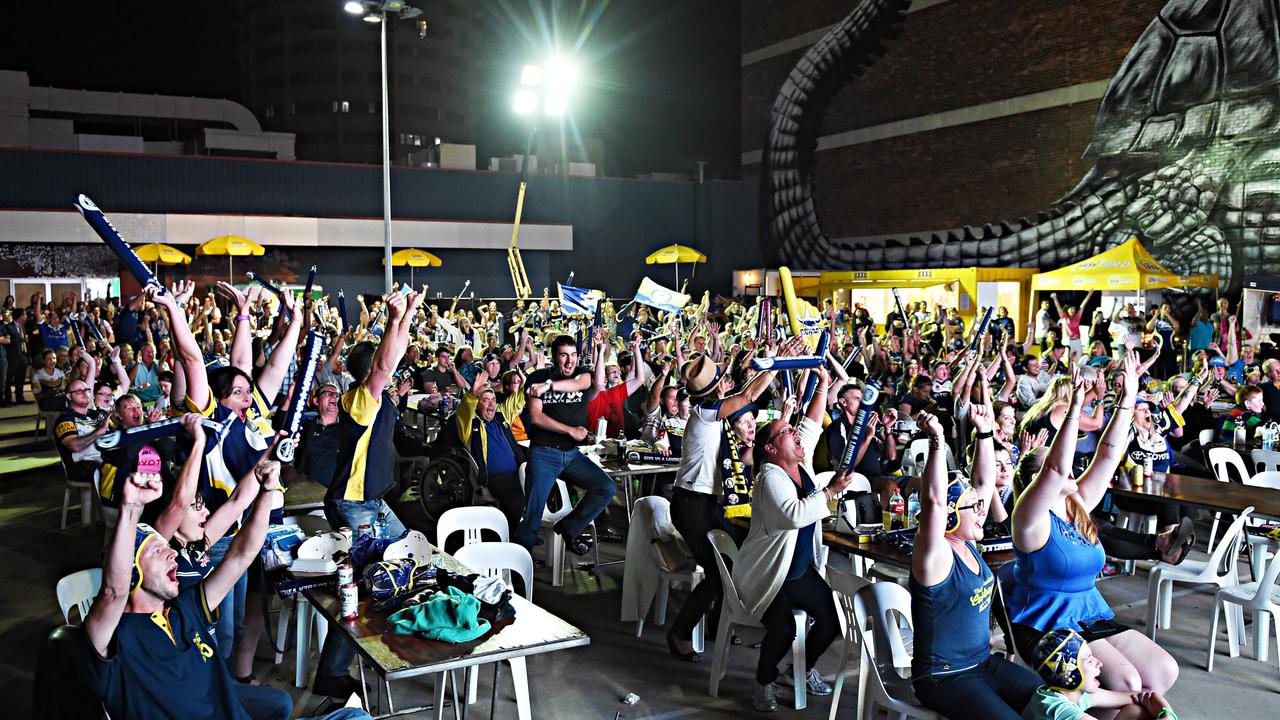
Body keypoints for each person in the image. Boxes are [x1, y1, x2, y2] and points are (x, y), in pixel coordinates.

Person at [80, 448, 368, 720]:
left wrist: (267, 493)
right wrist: (130, 508)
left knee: (355, 716)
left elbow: (241, 554)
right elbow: (112, 593)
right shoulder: (116, 637)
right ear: (131, 571)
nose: (170, 552)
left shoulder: (183, 610)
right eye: (157, 551)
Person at [1006, 354, 1179, 696]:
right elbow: (1055, 469)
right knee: (1127, 682)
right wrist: (1074, 407)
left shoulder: (1078, 504)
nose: (1068, 467)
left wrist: (1128, 397)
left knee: (1163, 671)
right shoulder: (1029, 520)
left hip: (1090, 613)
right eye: (1054, 463)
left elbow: (1108, 454)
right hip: (1046, 623)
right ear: (1033, 481)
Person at [666, 338, 803, 662]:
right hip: (691, 505)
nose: (725, 383)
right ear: (714, 389)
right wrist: (775, 362)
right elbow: (748, 396)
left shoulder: (711, 411)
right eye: (721, 381)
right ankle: (681, 633)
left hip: (707, 503)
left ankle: (718, 623)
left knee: (735, 560)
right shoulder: (705, 413)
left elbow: (743, 395)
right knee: (718, 571)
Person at [314, 290, 423, 698]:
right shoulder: (361, 401)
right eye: (385, 373)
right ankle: (332, 671)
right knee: (359, 587)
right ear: (371, 377)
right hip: (353, 504)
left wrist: (406, 316)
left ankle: (396, 640)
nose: (392, 375)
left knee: (412, 556)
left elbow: (390, 360)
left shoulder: (375, 399)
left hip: (373, 502)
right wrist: (396, 317)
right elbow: (385, 362)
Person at [733, 367, 854, 712]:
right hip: (769, 573)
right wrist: (829, 492)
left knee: (832, 621)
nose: (795, 431)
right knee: (784, 628)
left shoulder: (799, 464)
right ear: (771, 448)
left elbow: (813, 423)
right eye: (786, 431)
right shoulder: (769, 478)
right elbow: (795, 515)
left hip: (798, 570)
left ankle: (799, 670)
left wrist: (824, 385)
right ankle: (764, 681)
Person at [909, 406, 1041, 719]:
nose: (982, 509)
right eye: (972, 507)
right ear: (950, 517)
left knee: (1051, 702)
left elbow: (983, 482)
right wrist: (937, 440)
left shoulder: (968, 542)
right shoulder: (935, 555)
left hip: (983, 662)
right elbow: (934, 502)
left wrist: (984, 433)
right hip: (944, 677)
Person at [514, 334, 617, 554]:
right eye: (564, 355)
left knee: (606, 487)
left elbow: (593, 383)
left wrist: (599, 349)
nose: (569, 361)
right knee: (533, 514)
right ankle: (517, 568)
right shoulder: (536, 378)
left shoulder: (580, 375)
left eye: (573, 355)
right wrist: (570, 430)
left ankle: (570, 527)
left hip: (571, 455)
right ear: (554, 357)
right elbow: (536, 417)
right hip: (544, 453)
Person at [1022, 629, 1177, 720]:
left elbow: (1137, 697)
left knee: (1136, 710)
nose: (1099, 663)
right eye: (1089, 660)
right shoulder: (1058, 710)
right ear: (1069, 673)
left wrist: (1165, 712)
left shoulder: (1071, 693)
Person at [452, 370, 527, 534]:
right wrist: (472, 394)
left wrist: (524, 383)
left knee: (542, 489)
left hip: (518, 472)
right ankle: (512, 536)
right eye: (485, 400)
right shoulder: (470, 424)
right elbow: (465, 410)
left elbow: (517, 400)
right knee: (517, 501)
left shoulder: (502, 416)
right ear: (478, 404)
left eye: (493, 399)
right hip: (495, 478)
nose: (491, 404)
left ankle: (527, 529)